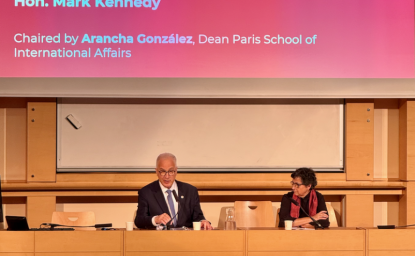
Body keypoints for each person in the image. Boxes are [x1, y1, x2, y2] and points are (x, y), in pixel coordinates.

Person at [134, 153, 213, 230]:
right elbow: (139, 221)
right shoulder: (146, 192)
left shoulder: (190, 191)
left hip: (186, 239)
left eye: (171, 171)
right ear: (156, 171)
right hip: (159, 240)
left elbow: (198, 217)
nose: (167, 176)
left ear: (176, 171)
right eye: (162, 171)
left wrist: (202, 221)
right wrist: (155, 219)